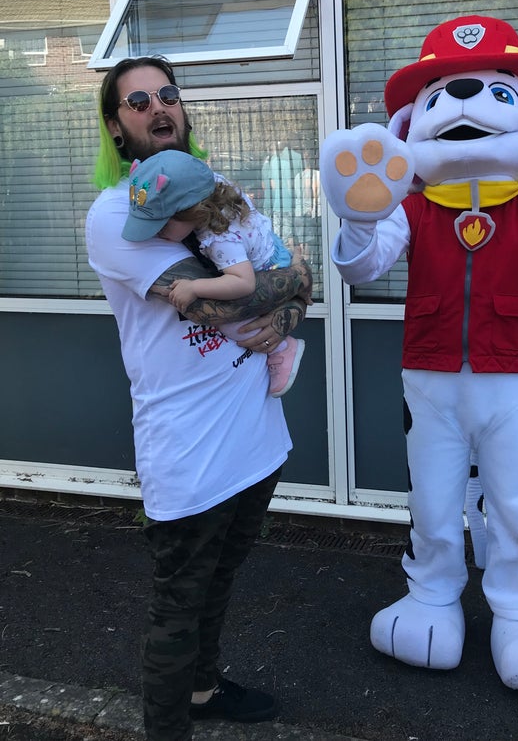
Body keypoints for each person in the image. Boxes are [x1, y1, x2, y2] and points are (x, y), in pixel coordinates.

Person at [85, 55, 312, 741]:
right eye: (137, 101)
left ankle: (206, 690)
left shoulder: (216, 193)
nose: (158, 107)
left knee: (220, 583)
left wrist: (291, 305)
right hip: (188, 450)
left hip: (255, 437)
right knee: (178, 604)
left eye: (168, 94)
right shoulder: (116, 215)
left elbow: (285, 296)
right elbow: (217, 307)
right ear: (117, 127)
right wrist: (294, 273)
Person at [122, 149, 305, 398]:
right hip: (271, 247)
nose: (156, 233)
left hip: (269, 267)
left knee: (230, 324)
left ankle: (282, 348)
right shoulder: (211, 185)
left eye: (163, 225)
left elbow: (244, 283)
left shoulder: (218, 239)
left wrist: (194, 287)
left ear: (192, 212)